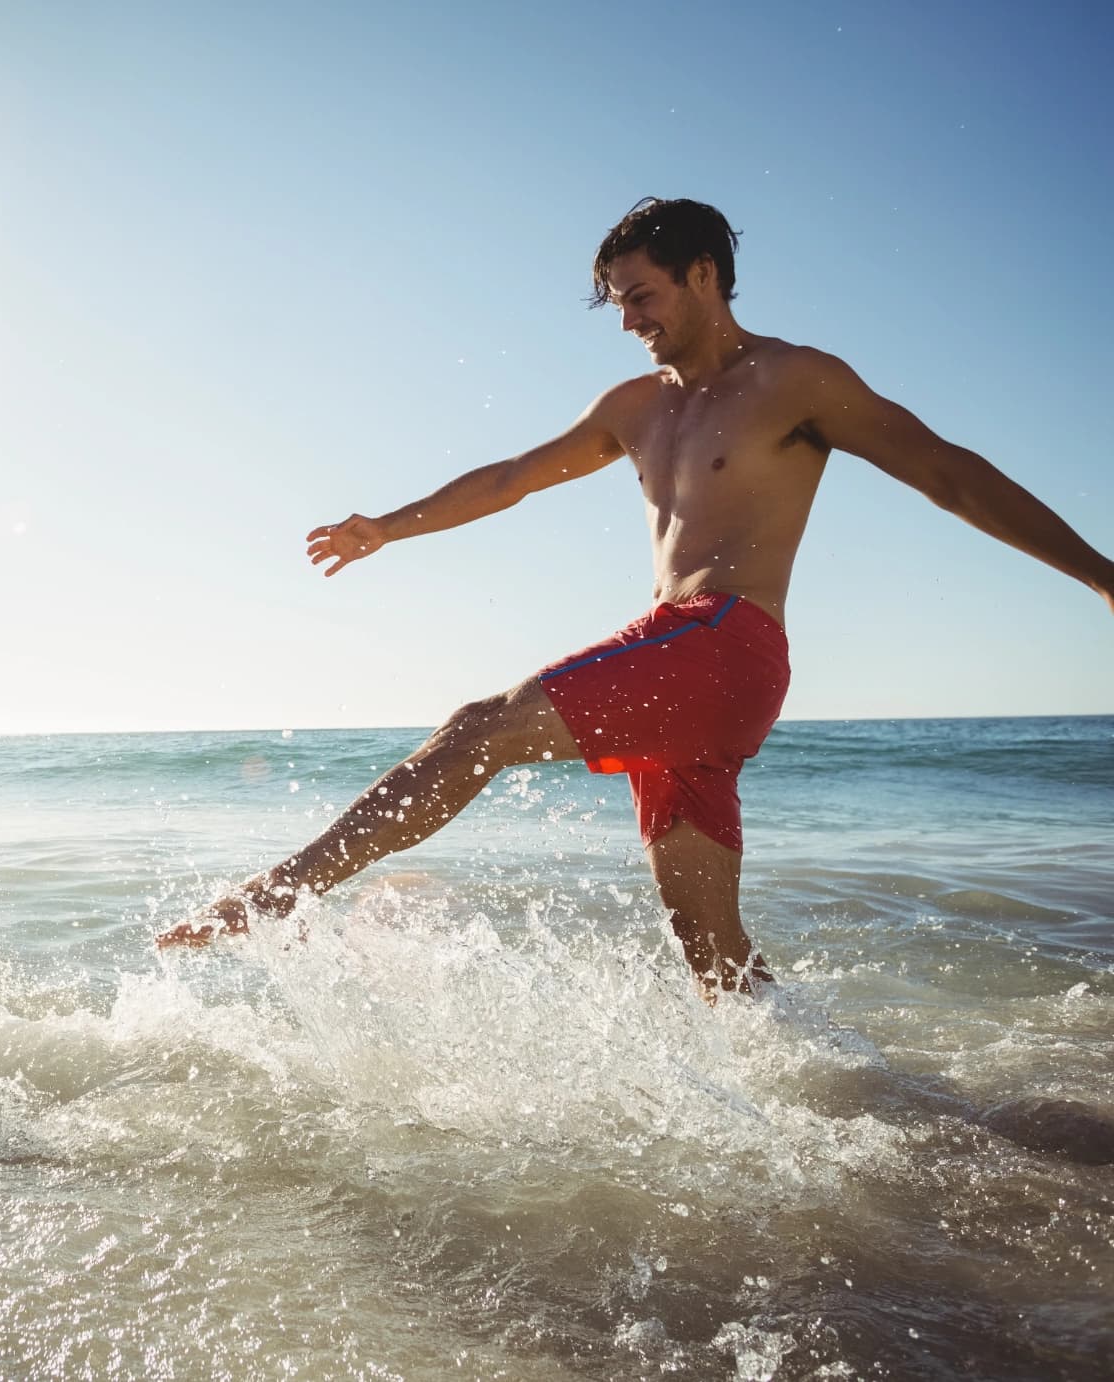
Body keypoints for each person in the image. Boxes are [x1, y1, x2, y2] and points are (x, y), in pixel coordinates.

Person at [158, 198, 1114, 994]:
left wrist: (1102, 580)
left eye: (642, 295)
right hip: (672, 657)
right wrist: (385, 527)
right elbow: (510, 478)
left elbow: (950, 473)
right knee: (718, 971)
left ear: (704, 274)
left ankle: (280, 892)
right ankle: (854, 1110)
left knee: (474, 729)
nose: (628, 319)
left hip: (727, 641)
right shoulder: (634, 407)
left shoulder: (795, 380)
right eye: (616, 302)